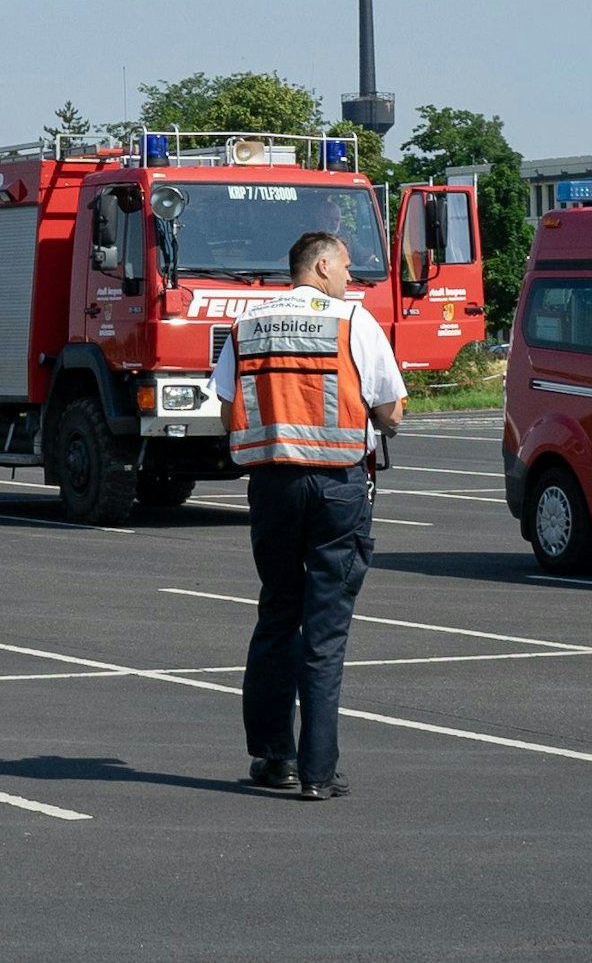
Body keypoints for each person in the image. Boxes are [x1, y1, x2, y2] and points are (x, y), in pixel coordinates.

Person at [208, 231, 406, 801]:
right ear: (321, 266)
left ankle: (275, 758)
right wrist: (383, 422)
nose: (351, 278)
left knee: (277, 617)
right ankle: (319, 773)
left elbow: (227, 413)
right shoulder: (352, 322)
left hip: (272, 484)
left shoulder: (249, 325)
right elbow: (390, 406)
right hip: (338, 484)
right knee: (324, 631)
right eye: (346, 267)